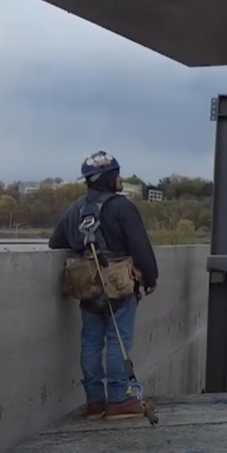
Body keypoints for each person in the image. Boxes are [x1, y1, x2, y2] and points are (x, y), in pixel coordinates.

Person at [48, 151, 159, 420]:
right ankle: (119, 399)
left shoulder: (75, 209)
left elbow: (55, 242)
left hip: (87, 286)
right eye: (117, 174)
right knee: (117, 340)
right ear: (109, 178)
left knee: (90, 342)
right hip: (118, 284)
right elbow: (140, 247)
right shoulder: (121, 207)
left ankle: (95, 401)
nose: (120, 178)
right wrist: (151, 278)